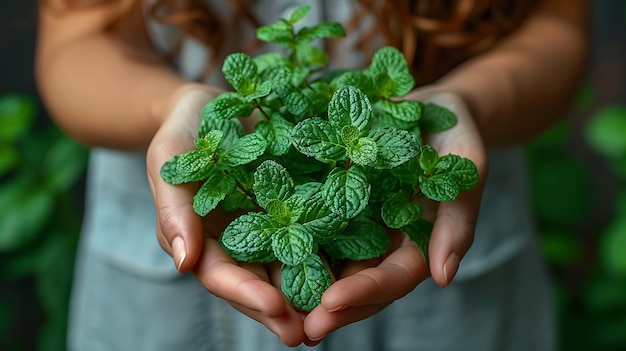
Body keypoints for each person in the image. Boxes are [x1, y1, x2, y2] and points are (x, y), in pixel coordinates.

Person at [35, 0, 589, 350]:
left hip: (453, 280)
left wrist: (467, 101)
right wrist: (171, 105)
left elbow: (557, 32)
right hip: (163, 296)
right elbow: (76, 40)